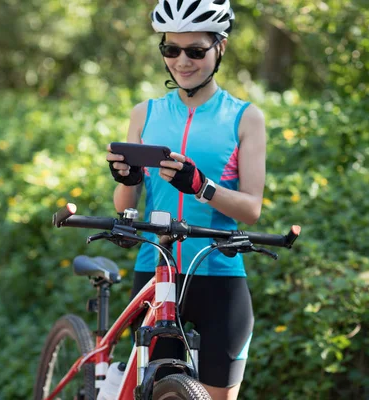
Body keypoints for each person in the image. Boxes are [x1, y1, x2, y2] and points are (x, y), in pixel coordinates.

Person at [106, 1, 266, 399]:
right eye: (171, 50)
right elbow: (124, 204)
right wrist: (127, 178)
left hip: (220, 274)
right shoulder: (145, 113)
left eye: (195, 51)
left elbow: (252, 209)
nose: (182, 61)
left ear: (220, 48)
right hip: (155, 272)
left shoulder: (244, 117)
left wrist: (201, 186)